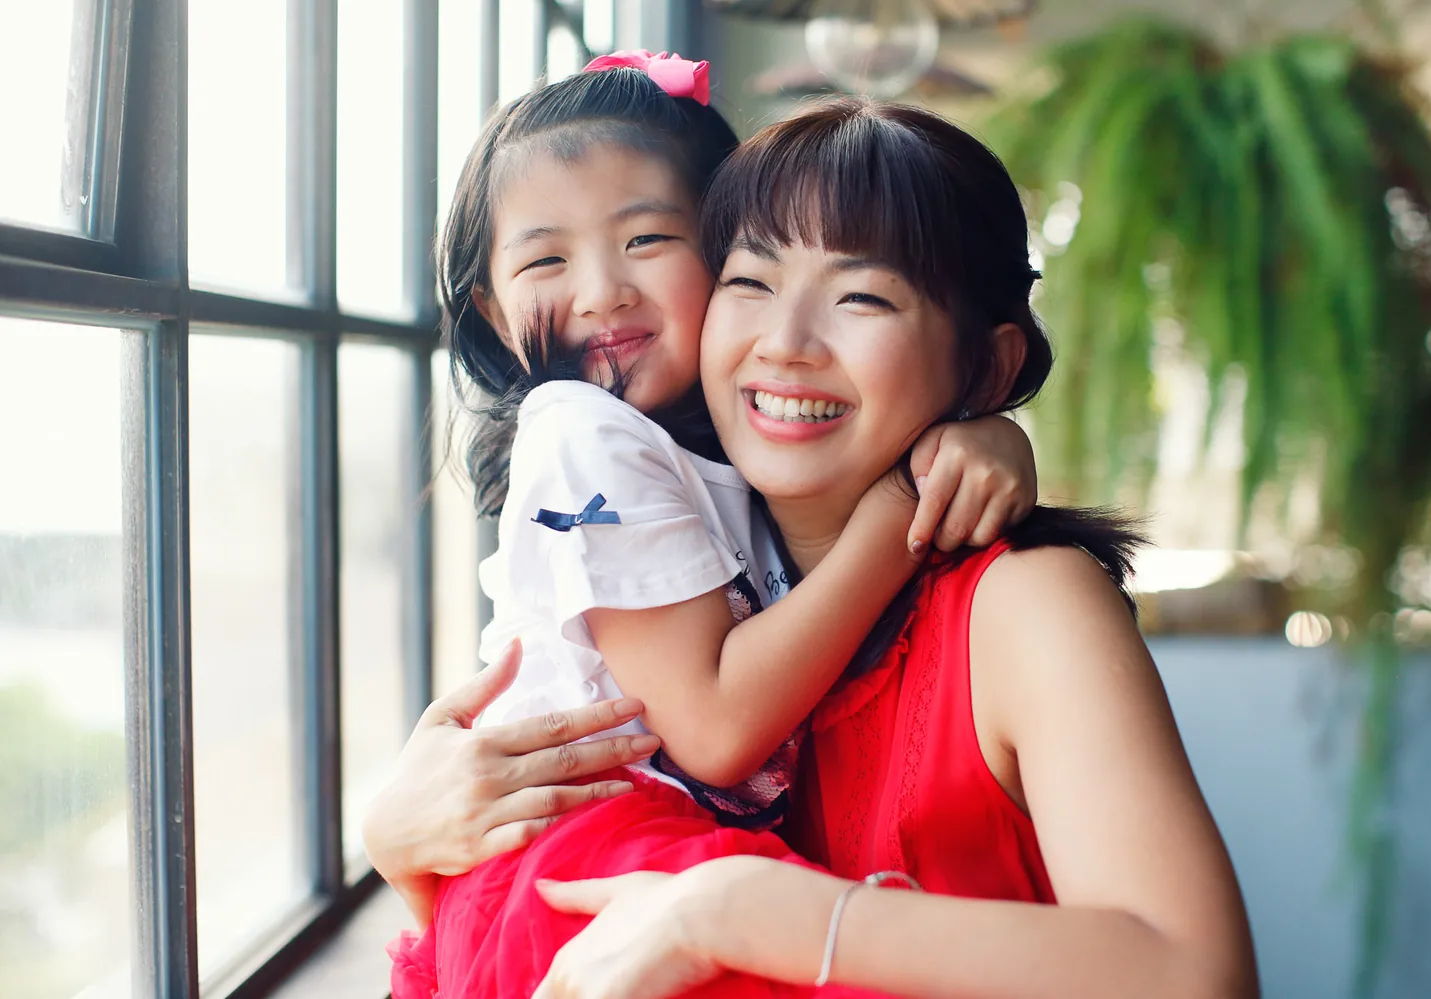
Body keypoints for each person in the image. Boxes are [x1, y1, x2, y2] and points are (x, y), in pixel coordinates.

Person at [504, 98, 1260, 998]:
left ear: (985, 366)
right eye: (750, 282)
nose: (784, 346)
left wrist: (740, 911)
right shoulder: (705, 604)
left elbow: (1196, 976)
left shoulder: (1028, 604)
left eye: (861, 297)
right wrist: (402, 849)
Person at [380, 53, 1043, 999]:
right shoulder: (582, 433)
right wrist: (906, 500)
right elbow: (718, 728)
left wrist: (983, 431)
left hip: (630, 850)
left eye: (647, 240)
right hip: (590, 853)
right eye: (545, 260)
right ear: (490, 305)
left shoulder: (723, 456)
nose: (603, 289)